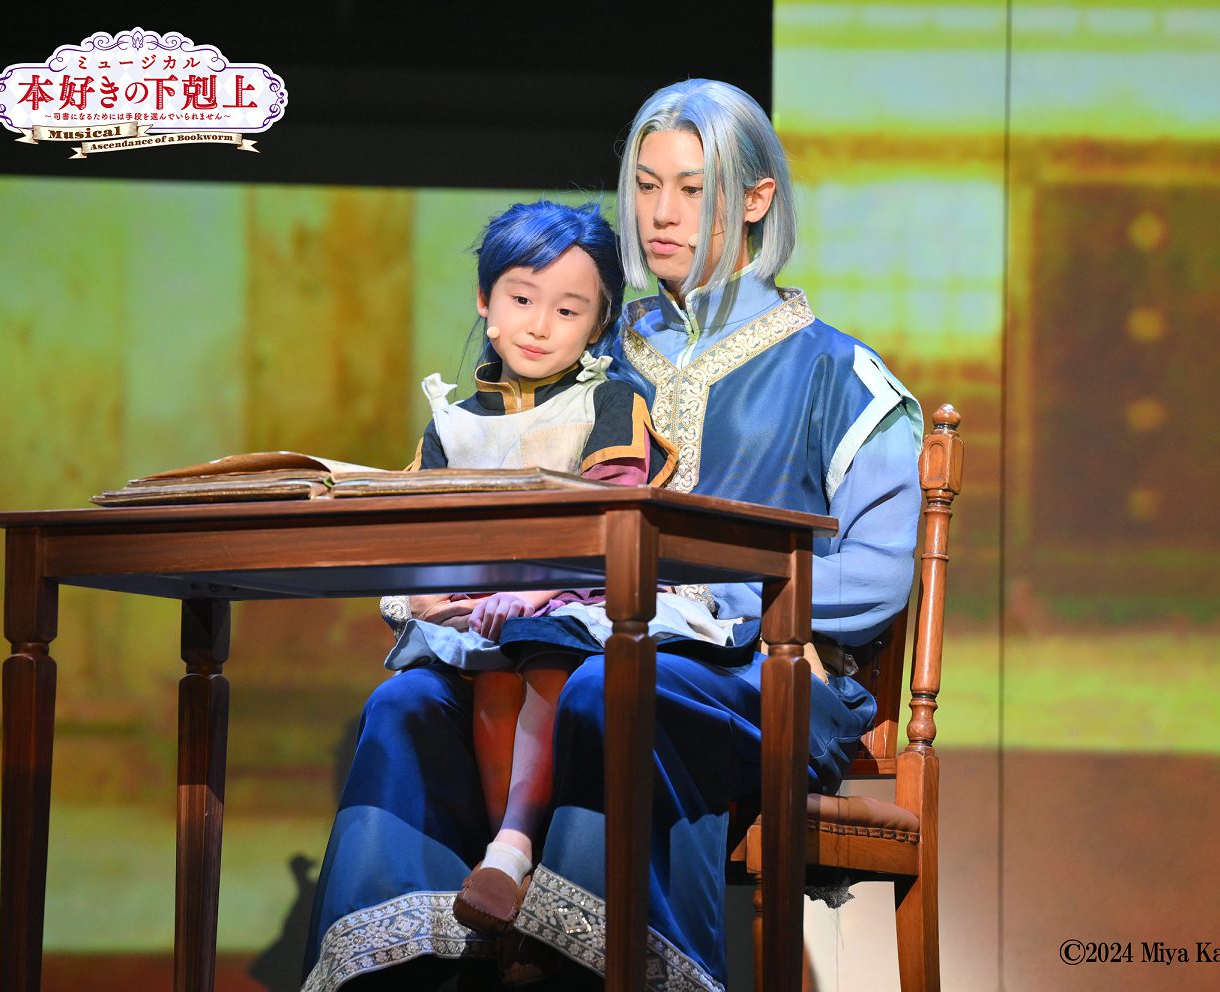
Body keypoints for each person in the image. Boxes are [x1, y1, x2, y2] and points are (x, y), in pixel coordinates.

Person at [304, 81, 921, 992]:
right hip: (552, 646)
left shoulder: (836, 372)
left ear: (757, 199)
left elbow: (876, 575)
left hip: (762, 676)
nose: (660, 214)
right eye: (645, 184)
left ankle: (587, 970)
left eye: (692, 188)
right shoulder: (589, 344)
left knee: (611, 689)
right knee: (406, 708)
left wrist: (710, 593)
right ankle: (406, 975)